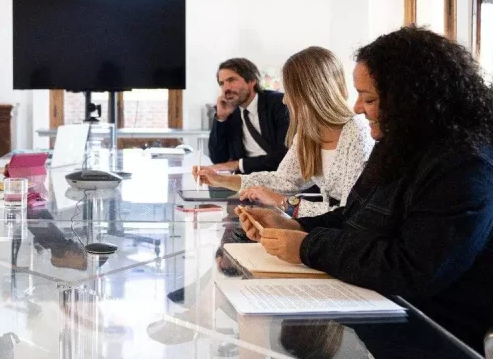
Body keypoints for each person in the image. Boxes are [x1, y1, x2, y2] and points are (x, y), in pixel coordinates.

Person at [238, 27, 493, 353]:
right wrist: (297, 225)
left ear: (413, 100)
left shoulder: (467, 165)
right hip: (377, 316)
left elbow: (412, 269)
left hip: (433, 336)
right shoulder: (400, 141)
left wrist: (306, 246)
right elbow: (355, 213)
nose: (357, 108)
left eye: (369, 98)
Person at [196, 47, 374, 217]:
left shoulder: (356, 132)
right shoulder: (308, 133)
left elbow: (351, 212)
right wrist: (219, 180)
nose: (285, 100)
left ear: (311, 92)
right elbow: (284, 180)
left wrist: (285, 203)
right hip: (329, 229)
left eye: (290, 92)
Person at [207, 58, 290, 173]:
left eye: (231, 80)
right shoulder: (232, 113)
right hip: (249, 180)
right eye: (222, 84)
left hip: (282, 177)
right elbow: (218, 159)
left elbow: (286, 155)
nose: (226, 88)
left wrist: (239, 164)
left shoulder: (279, 103)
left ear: (251, 81)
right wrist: (221, 118)